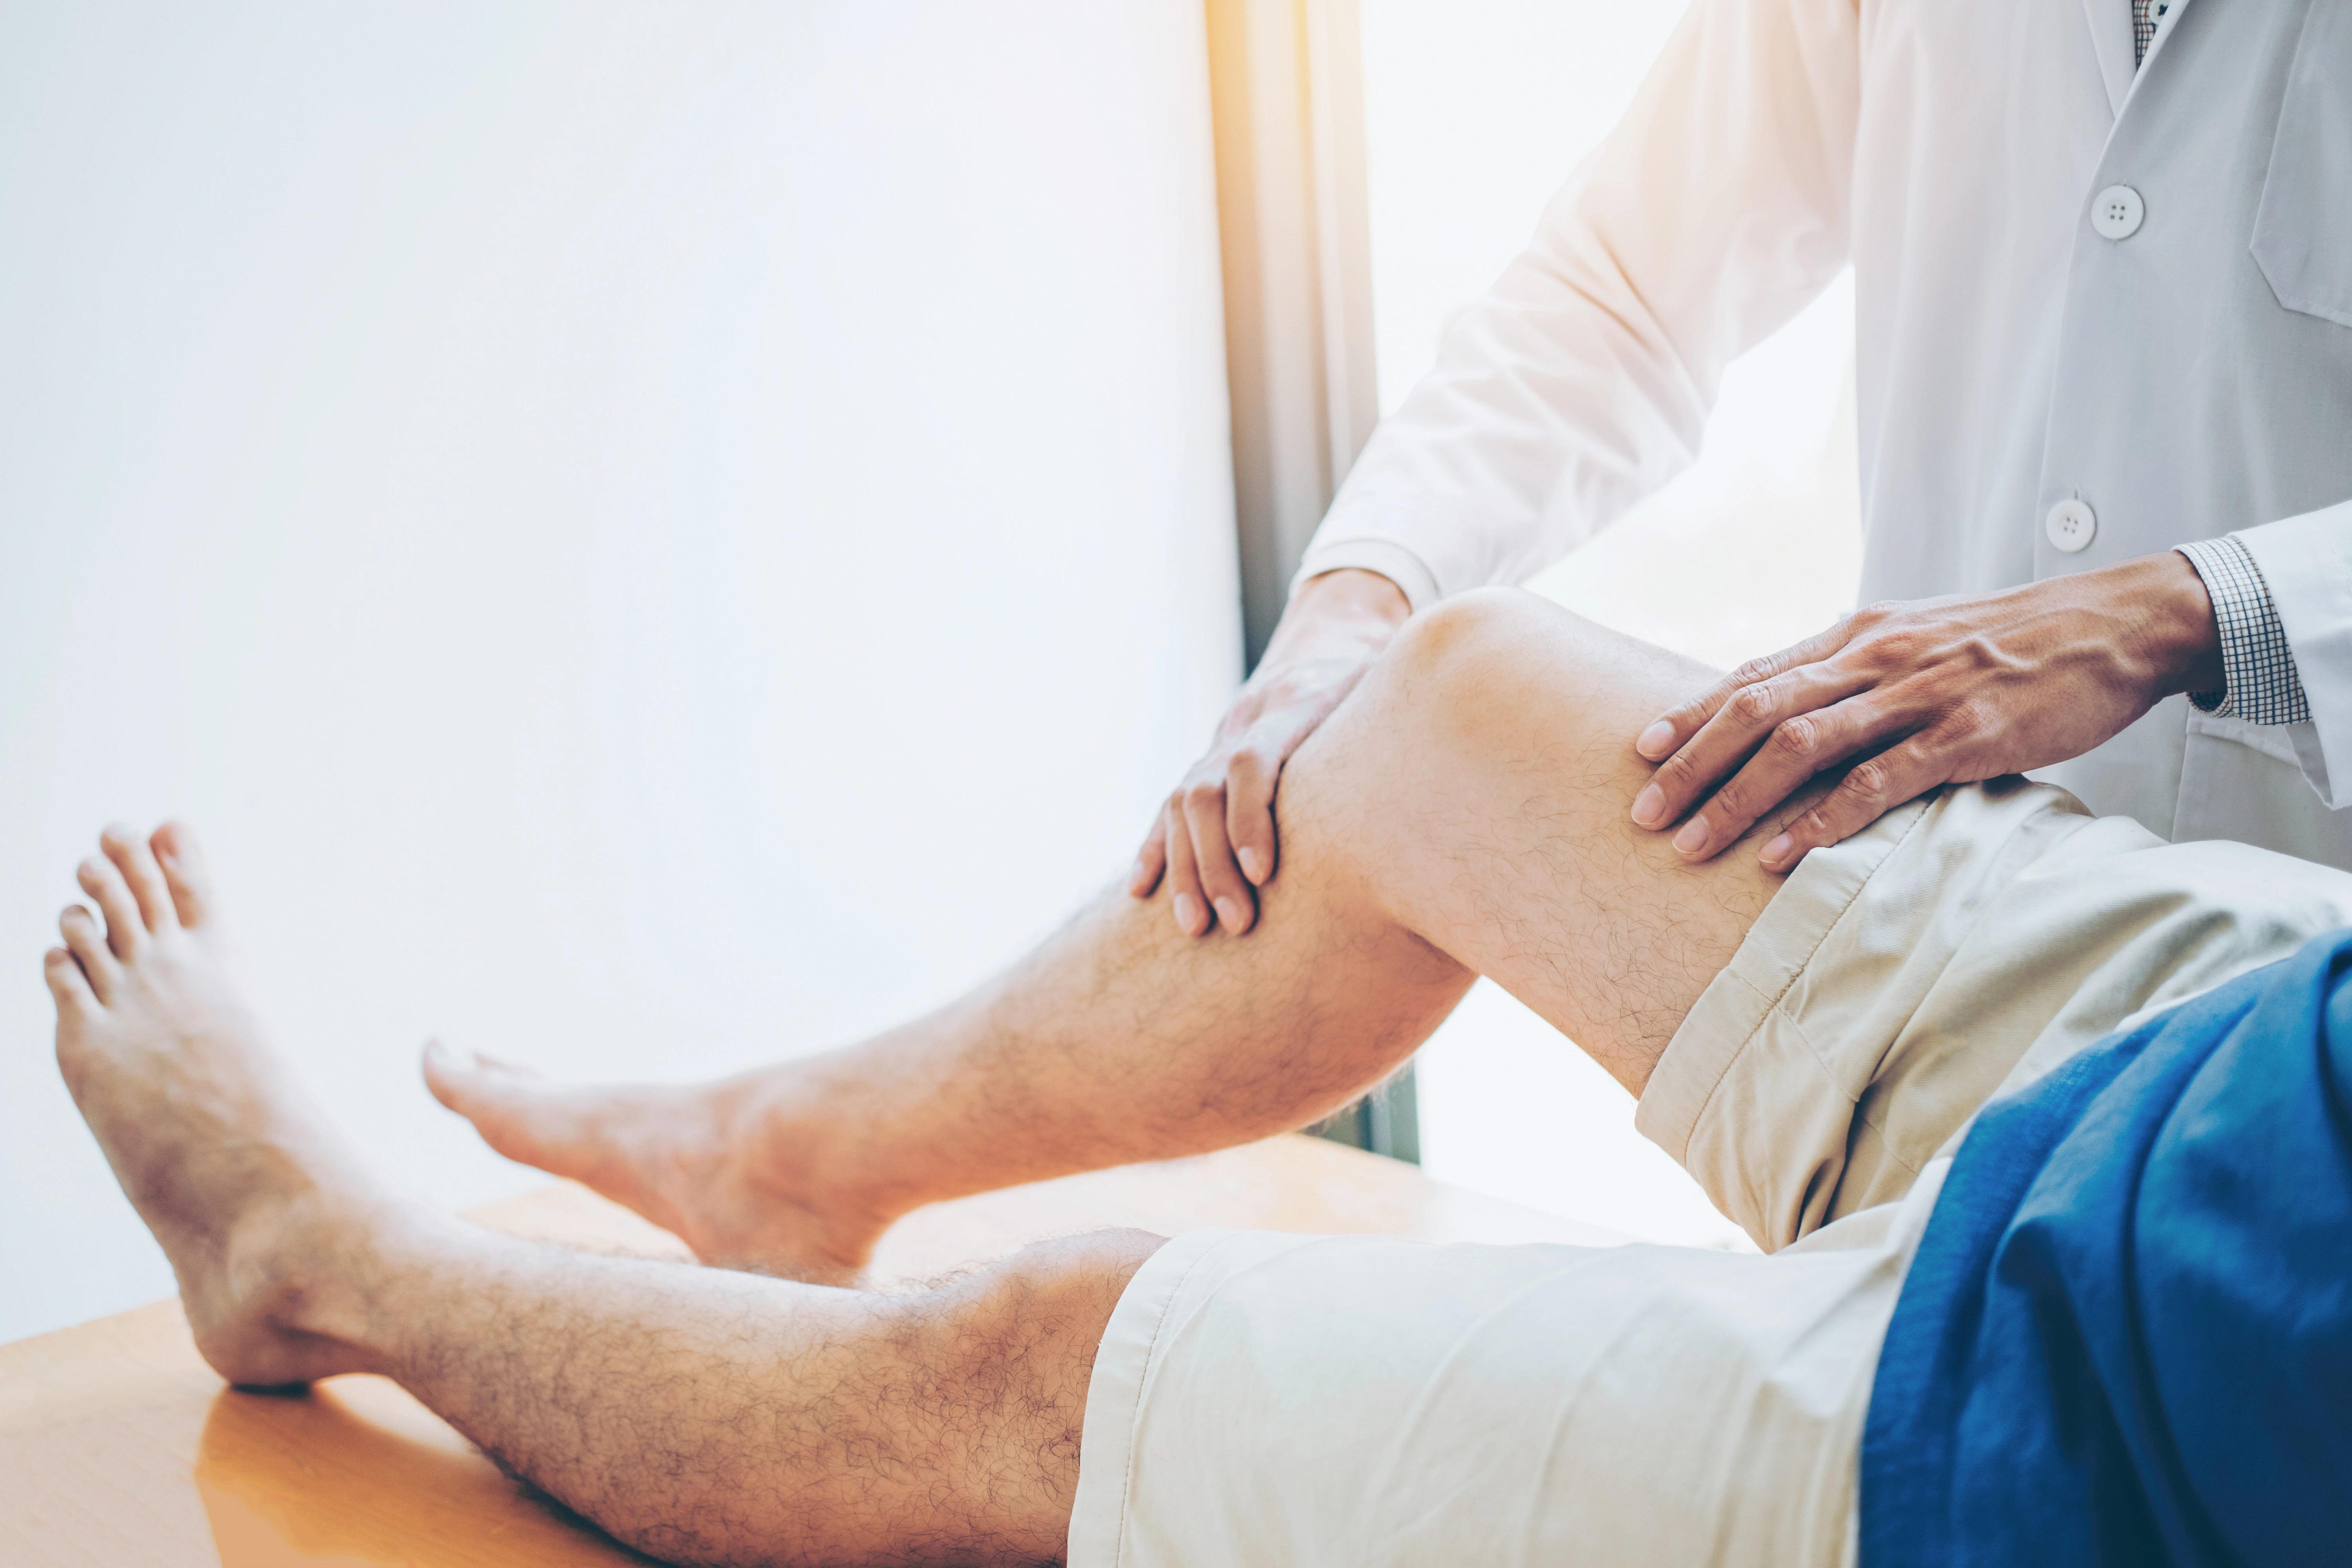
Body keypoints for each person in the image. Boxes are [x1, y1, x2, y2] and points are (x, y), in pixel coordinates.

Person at [44, 592, 2352, 1566]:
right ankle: (784, 1160)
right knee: (1446, 699)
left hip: (2184, 1410)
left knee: (1043, 1352)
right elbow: (1630, 269)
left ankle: (309, 1255)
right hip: (2282, 1050)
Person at [1135, 0, 2352, 944]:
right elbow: (1630, 293)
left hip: (2305, 942)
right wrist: (1356, 604)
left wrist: (2187, 614)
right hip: (1935, 916)